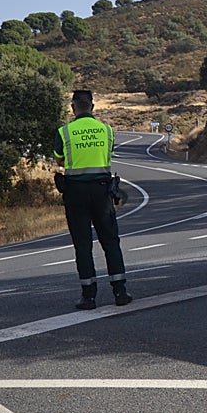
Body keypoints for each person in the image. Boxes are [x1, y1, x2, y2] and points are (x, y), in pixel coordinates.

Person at [53, 89, 131, 309]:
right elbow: (109, 154)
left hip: (76, 193)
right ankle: (120, 292)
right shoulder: (106, 130)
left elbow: (60, 161)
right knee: (111, 242)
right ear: (93, 107)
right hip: (102, 192)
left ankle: (89, 296)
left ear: (73, 108)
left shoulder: (64, 132)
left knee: (83, 245)